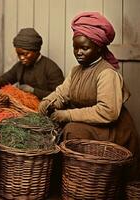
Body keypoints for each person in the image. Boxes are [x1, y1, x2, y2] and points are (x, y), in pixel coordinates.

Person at [39, 12, 139, 179]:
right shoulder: (76, 71)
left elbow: (108, 112)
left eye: (85, 48)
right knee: (54, 128)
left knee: (71, 130)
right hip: (90, 125)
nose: (78, 52)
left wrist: (67, 114)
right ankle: (69, 177)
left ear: (99, 47)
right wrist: (48, 101)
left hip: (113, 130)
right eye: (75, 47)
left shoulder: (107, 73)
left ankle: (82, 179)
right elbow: (62, 93)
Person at [0, 28, 64, 99]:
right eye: (19, 54)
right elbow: (6, 80)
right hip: (23, 107)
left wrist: (33, 91)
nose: (21, 58)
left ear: (36, 50)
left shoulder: (52, 69)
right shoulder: (19, 66)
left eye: (25, 54)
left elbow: (60, 97)